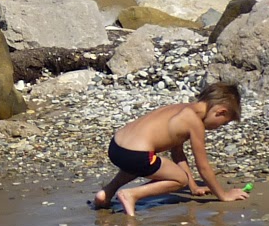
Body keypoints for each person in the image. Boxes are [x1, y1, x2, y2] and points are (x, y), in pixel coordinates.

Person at [92, 82, 247, 216]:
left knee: (137, 165)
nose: (218, 127)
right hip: (137, 154)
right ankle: (132, 195)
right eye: (223, 123)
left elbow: (177, 153)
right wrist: (223, 195)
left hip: (116, 147)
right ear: (220, 112)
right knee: (179, 179)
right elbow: (203, 167)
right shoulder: (194, 122)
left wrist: (193, 187)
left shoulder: (180, 109)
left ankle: (106, 193)